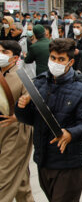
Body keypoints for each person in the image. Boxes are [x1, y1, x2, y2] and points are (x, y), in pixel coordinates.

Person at [15, 38, 82, 202]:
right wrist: (21, 107)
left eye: (61, 59)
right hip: (43, 159)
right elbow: (32, 119)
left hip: (68, 163)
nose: (55, 63)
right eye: (53, 58)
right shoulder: (39, 82)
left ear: (70, 61)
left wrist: (70, 134)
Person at [0, 40, 34, 202]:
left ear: (14, 58)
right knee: (21, 181)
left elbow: (33, 102)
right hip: (2, 131)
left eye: (4, 52)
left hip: (16, 133)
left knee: (4, 179)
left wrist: (21, 111)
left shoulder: (22, 76)